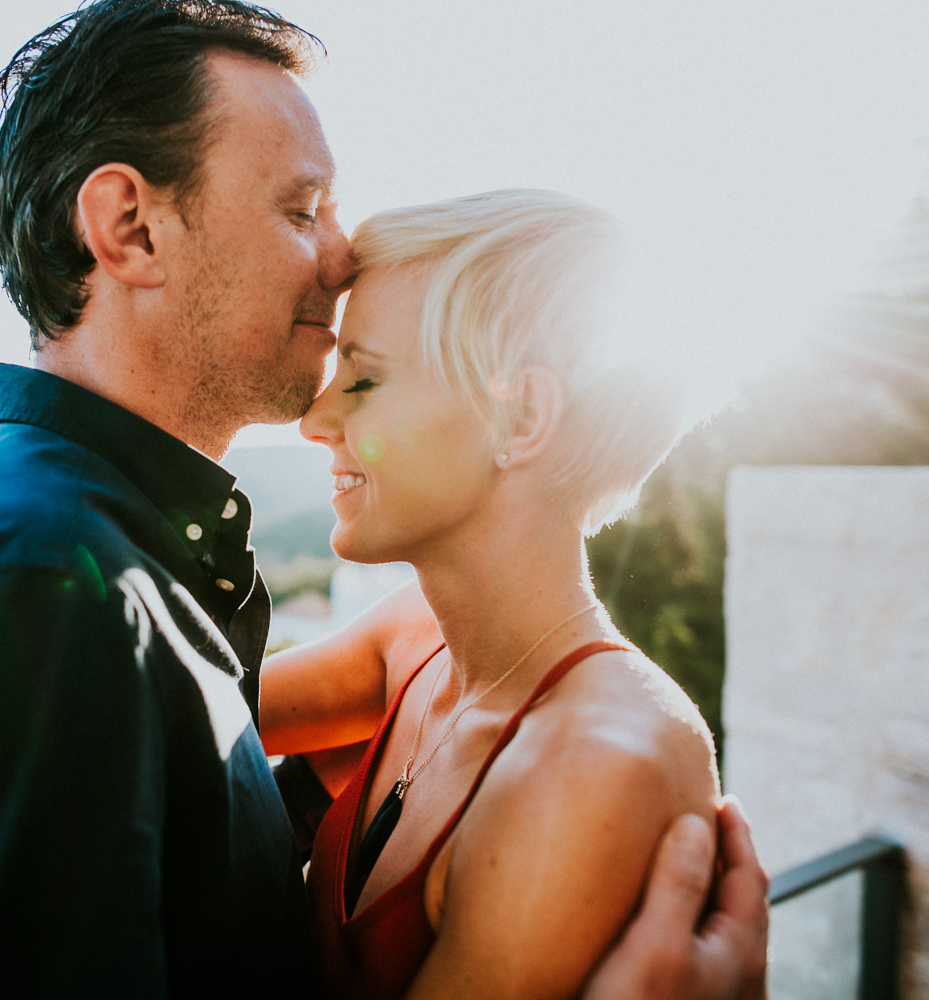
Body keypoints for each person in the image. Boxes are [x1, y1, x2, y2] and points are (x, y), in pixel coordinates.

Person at [0, 2, 771, 998]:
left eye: (371, 378)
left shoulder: (117, 589)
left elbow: (163, 779)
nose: (337, 250)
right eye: (299, 206)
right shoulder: (29, 601)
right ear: (131, 228)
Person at [258, 189, 733, 999]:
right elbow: (169, 716)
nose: (316, 418)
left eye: (364, 379)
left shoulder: (590, 771)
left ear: (520, 418)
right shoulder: (420, 641)